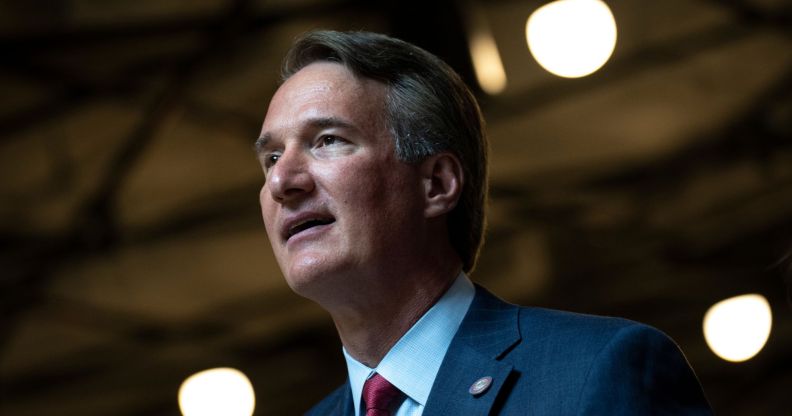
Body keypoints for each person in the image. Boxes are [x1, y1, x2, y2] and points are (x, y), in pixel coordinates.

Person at [255, 30, 712, 415]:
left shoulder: (601, 370)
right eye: (272, 157)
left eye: (328, 140)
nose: (281, 180)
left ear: (436, 183)